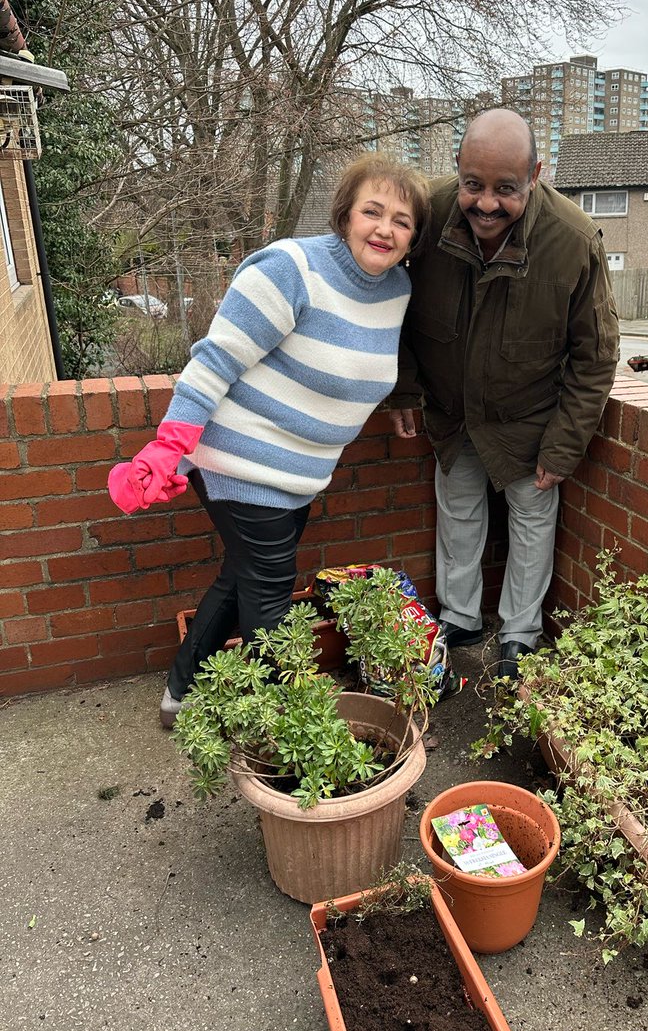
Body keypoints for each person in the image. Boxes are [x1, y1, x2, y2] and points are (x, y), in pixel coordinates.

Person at [108, 154, 430, 727]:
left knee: (240, 576)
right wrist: (168, 444)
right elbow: (213, 361)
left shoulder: (397, 287)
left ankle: (179, 695)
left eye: (401, 221)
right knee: (270, 592)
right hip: (242, 463)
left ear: (412, 238)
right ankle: (277, 724)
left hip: (299, 475)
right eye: (372, 211)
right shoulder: (292, 267)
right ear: (345, 215)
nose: (385, 228)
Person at [388, 109, 619, 678]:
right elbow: (390, 305)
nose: (486, 203)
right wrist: (402, 392)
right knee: (458, 512)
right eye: (473, 184)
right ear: (457, 170)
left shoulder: (572, 241)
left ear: (536, 175)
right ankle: (460, 617)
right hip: (452, 412)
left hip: (530, 416)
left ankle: (521, 632)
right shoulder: (429, 215)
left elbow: (596, 357)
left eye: (505, 190)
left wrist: (564, 447)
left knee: (532, 518)